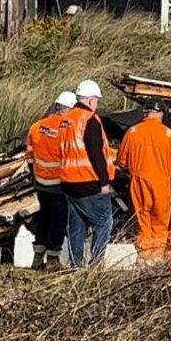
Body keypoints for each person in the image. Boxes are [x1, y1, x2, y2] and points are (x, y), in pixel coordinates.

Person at [116, 99, 171, 261]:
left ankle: (145, 258)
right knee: (160, 223)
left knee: (142, 222)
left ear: (145, 113)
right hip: (161, 184)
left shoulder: (132, 132)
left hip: (138, 184)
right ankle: (157, 257)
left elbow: (121, 162)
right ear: (160, 114)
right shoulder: (170, 135)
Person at [59, 79, 116, 268]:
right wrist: (104, 182)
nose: (97, 105)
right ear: (91, 100)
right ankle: (96, 265)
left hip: (68, 183)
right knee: (104, 221)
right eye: (96, 100)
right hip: (89, 182)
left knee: (77, 226)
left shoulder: (66, 120)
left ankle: (75, 266)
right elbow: (95, 152)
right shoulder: (90, 120)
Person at [25, 91, 76, 269]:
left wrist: (36, 175)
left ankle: (38, 256)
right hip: (58, 183)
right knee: (58, 219)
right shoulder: (65, 128)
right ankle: (53, 258)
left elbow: (29, 157)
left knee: (44, 216)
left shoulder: (36, 127)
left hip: (40, 182)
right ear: (69, 109)